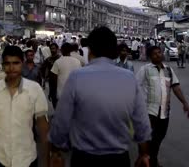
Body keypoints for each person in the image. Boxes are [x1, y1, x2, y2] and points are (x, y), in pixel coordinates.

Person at [49, 27, 151, 167]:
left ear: (90, 50)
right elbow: (142, 122)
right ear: (114, 51)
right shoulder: (129, 78)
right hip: (119, 160)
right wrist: (143, 153)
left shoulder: (77, 77)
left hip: (84, 159)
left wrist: (56, 151)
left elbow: (61, 120)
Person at [0, 46, 49, 167]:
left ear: (22, 63)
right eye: (7, 64)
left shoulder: (34, 89)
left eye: (16, 63)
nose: (11, 68)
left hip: (25, 158)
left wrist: (47, 160)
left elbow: (43, 127)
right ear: (3, 65)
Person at [137, 46, 189, 167]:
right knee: (146, 139)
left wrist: (185, 103)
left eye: (159, 52)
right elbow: (135, 87)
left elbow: (176, 87)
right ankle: (143, 161)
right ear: (150, 56)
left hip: (164, 113)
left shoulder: (168, 70)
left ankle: (153, 161)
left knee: (158, 139)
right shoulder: (145, 70)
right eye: (154, 53)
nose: (158, 55)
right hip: (149, 112)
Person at [50, 43, 81, 108]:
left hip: (61, 94)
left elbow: (53, 80)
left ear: (61, 50)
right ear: (71, 51)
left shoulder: (58, 62)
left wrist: (52, 93)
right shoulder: (77, 62)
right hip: (74, 94)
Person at [41, 43, 61, 108]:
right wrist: (44, 80)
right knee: (53, 97)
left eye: (54, 48)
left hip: (59, 80)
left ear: (57, 49)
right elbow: (44, 69)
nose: (52, 50)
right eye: (51, 49)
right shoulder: (48, 59)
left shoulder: (60, 58)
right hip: (51, 81)